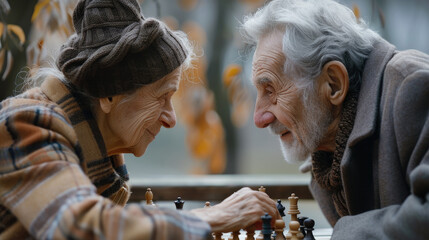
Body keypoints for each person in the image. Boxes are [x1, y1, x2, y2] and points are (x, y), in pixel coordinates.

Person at [0, 0, 280, 239]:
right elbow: (82, 229)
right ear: (109, 94)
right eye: (162, 97)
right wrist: (215, 216)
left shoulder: (97, 161)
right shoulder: (26, 125)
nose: (172, 119)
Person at [241, 0, 429, 239]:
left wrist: (344, 234)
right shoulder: (323, 147)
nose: (259, 118)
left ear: (333, 84)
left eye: (271, 90)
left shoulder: (413, 87)